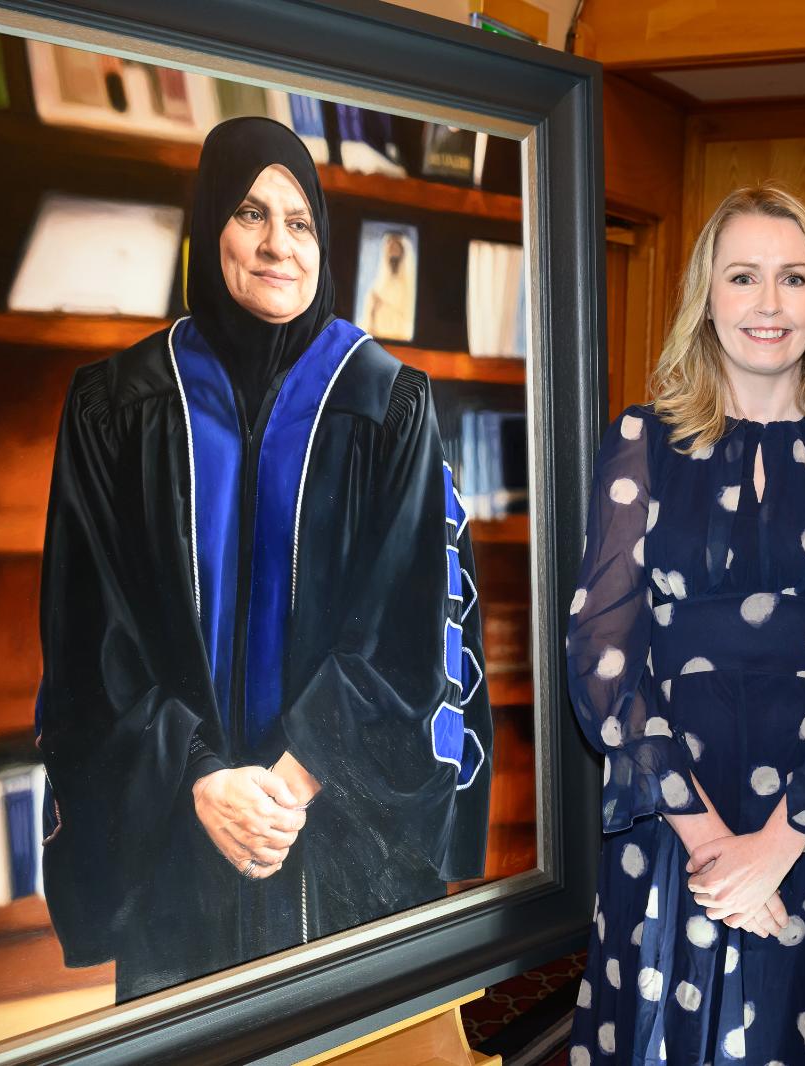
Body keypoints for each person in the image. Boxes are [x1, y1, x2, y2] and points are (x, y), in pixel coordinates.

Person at [35, 117, 491, 1001]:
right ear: (209, 230)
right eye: (249, 213)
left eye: (300, 221)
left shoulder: (385, 405)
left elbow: (409, 629)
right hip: (179, 838)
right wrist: (202, 777)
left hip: (341, 845)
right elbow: (88, 628)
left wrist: (288, 784)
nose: (278, 244)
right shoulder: (116, 407)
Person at [565, 185, 805, 1065]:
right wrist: (716, 844)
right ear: (705, 297)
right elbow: (601, 651)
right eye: (743, 277)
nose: (768, 304)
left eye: (792, 278)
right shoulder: (640, 441)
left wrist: (779, 841)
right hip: (673, 813)